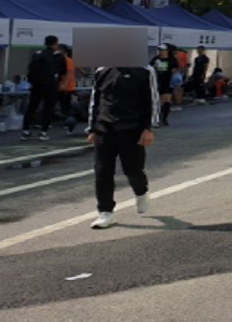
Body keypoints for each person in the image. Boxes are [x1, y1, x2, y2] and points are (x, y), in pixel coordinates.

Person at [86, 63, 160, 230]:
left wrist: (149, 128)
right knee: (102, 171)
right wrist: (92, 128)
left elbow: (152, 100)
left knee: (133, 170)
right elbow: (95, 100)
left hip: (132, 128)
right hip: (104, 128)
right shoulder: (102, 70)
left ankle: (141, 192)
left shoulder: (144, 70)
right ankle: (106, 212)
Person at [22, 36, 66, 141]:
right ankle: (43, 132)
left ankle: (25, 131)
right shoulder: (58, 56)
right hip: (50, 85)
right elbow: (63, 71)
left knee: (32, 107)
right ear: (55, 43)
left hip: (36, 84)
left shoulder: (38, 54)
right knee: (48, 108)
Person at [150, 44, 176, 126]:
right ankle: (159, 118)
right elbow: (150, 68)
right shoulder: (156, 59)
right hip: (158, 81)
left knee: (167, 100)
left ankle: (165, 119)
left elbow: (175, 70)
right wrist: (154, 67)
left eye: (162, 50)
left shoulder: (172, 60)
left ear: (167, 51)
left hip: (168, 81)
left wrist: (174, 73)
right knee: (160, 101)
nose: (161, 52)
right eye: (160, 50)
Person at [58, 45, 78, 134]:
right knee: (63, 107)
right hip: (60, 87)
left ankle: (69, 126)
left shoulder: (68, 60)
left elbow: (70, 73)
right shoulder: (59, 60)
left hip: (68, 88)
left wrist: (65, 85)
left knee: (67, 108)